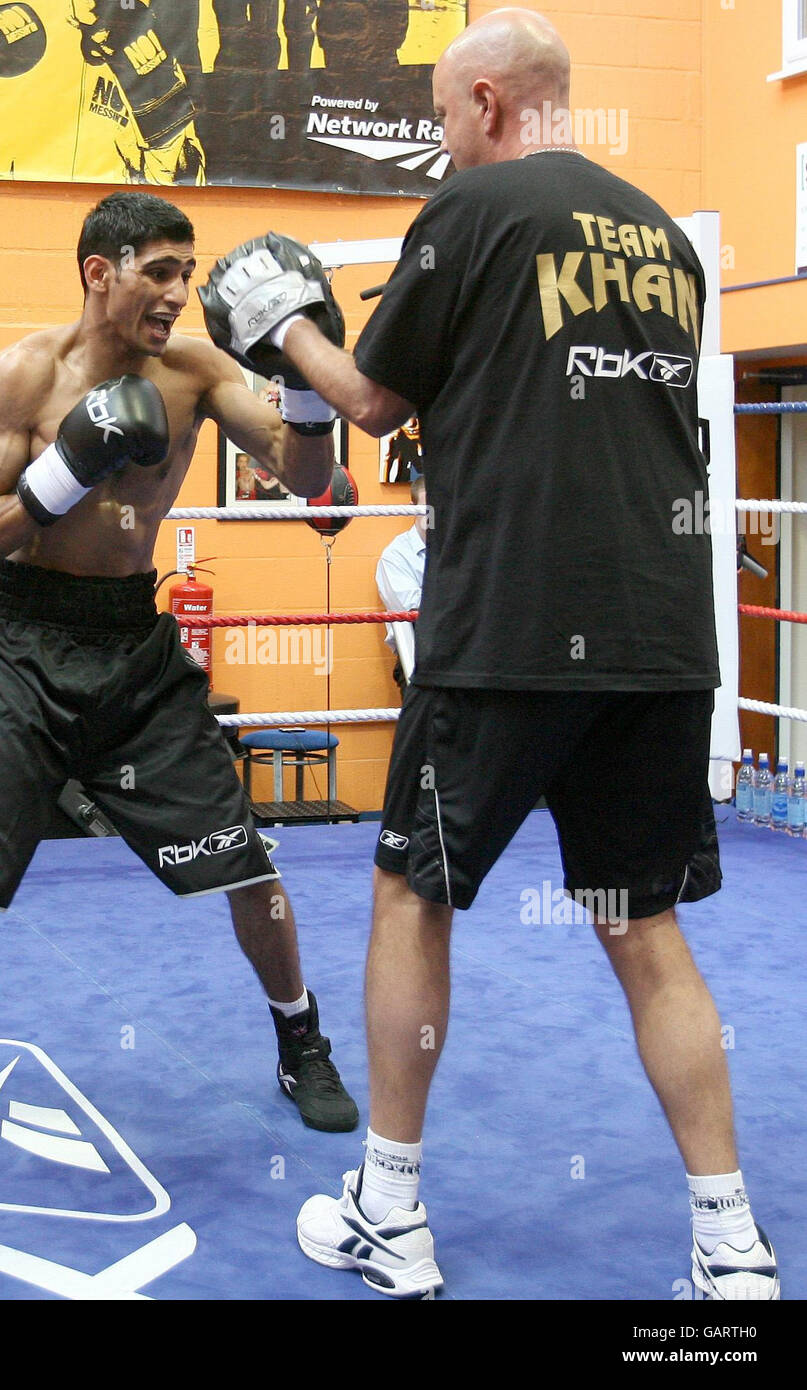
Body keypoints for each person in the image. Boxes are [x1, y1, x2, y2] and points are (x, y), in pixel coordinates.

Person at [199, 8, 778, 1301]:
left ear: (486, 106)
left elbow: (368, 401)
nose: (438, 143)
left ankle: (388, 1214)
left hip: (508, 622)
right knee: (643, 926)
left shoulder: (471, 213)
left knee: (413, 893)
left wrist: (286, 322)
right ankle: (727, 1244)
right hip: (656, 635)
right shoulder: (660, 244)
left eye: (443, 119)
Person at [0, 192, 358, 1147]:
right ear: (100, 271)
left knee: (246, 865)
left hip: (133, 644)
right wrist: (67, 469)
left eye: (188, 273)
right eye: (159, 272)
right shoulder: (19, 378)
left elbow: (310, 487)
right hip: (28, 645)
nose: (179, 293)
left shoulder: (198, 371)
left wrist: (300, 374)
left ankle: (301, 1039)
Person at [0, 0, 205, 185]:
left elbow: (179, 186)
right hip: (9, 225)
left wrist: (165, 124)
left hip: (107, 240)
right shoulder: (5, 17)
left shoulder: (146, 32)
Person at [375, 472, 426, 690]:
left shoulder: (463, 549)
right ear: (412, 508)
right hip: (416, 660)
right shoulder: (397, 555)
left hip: (464, 655)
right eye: (428, 506)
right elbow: (413, 609)